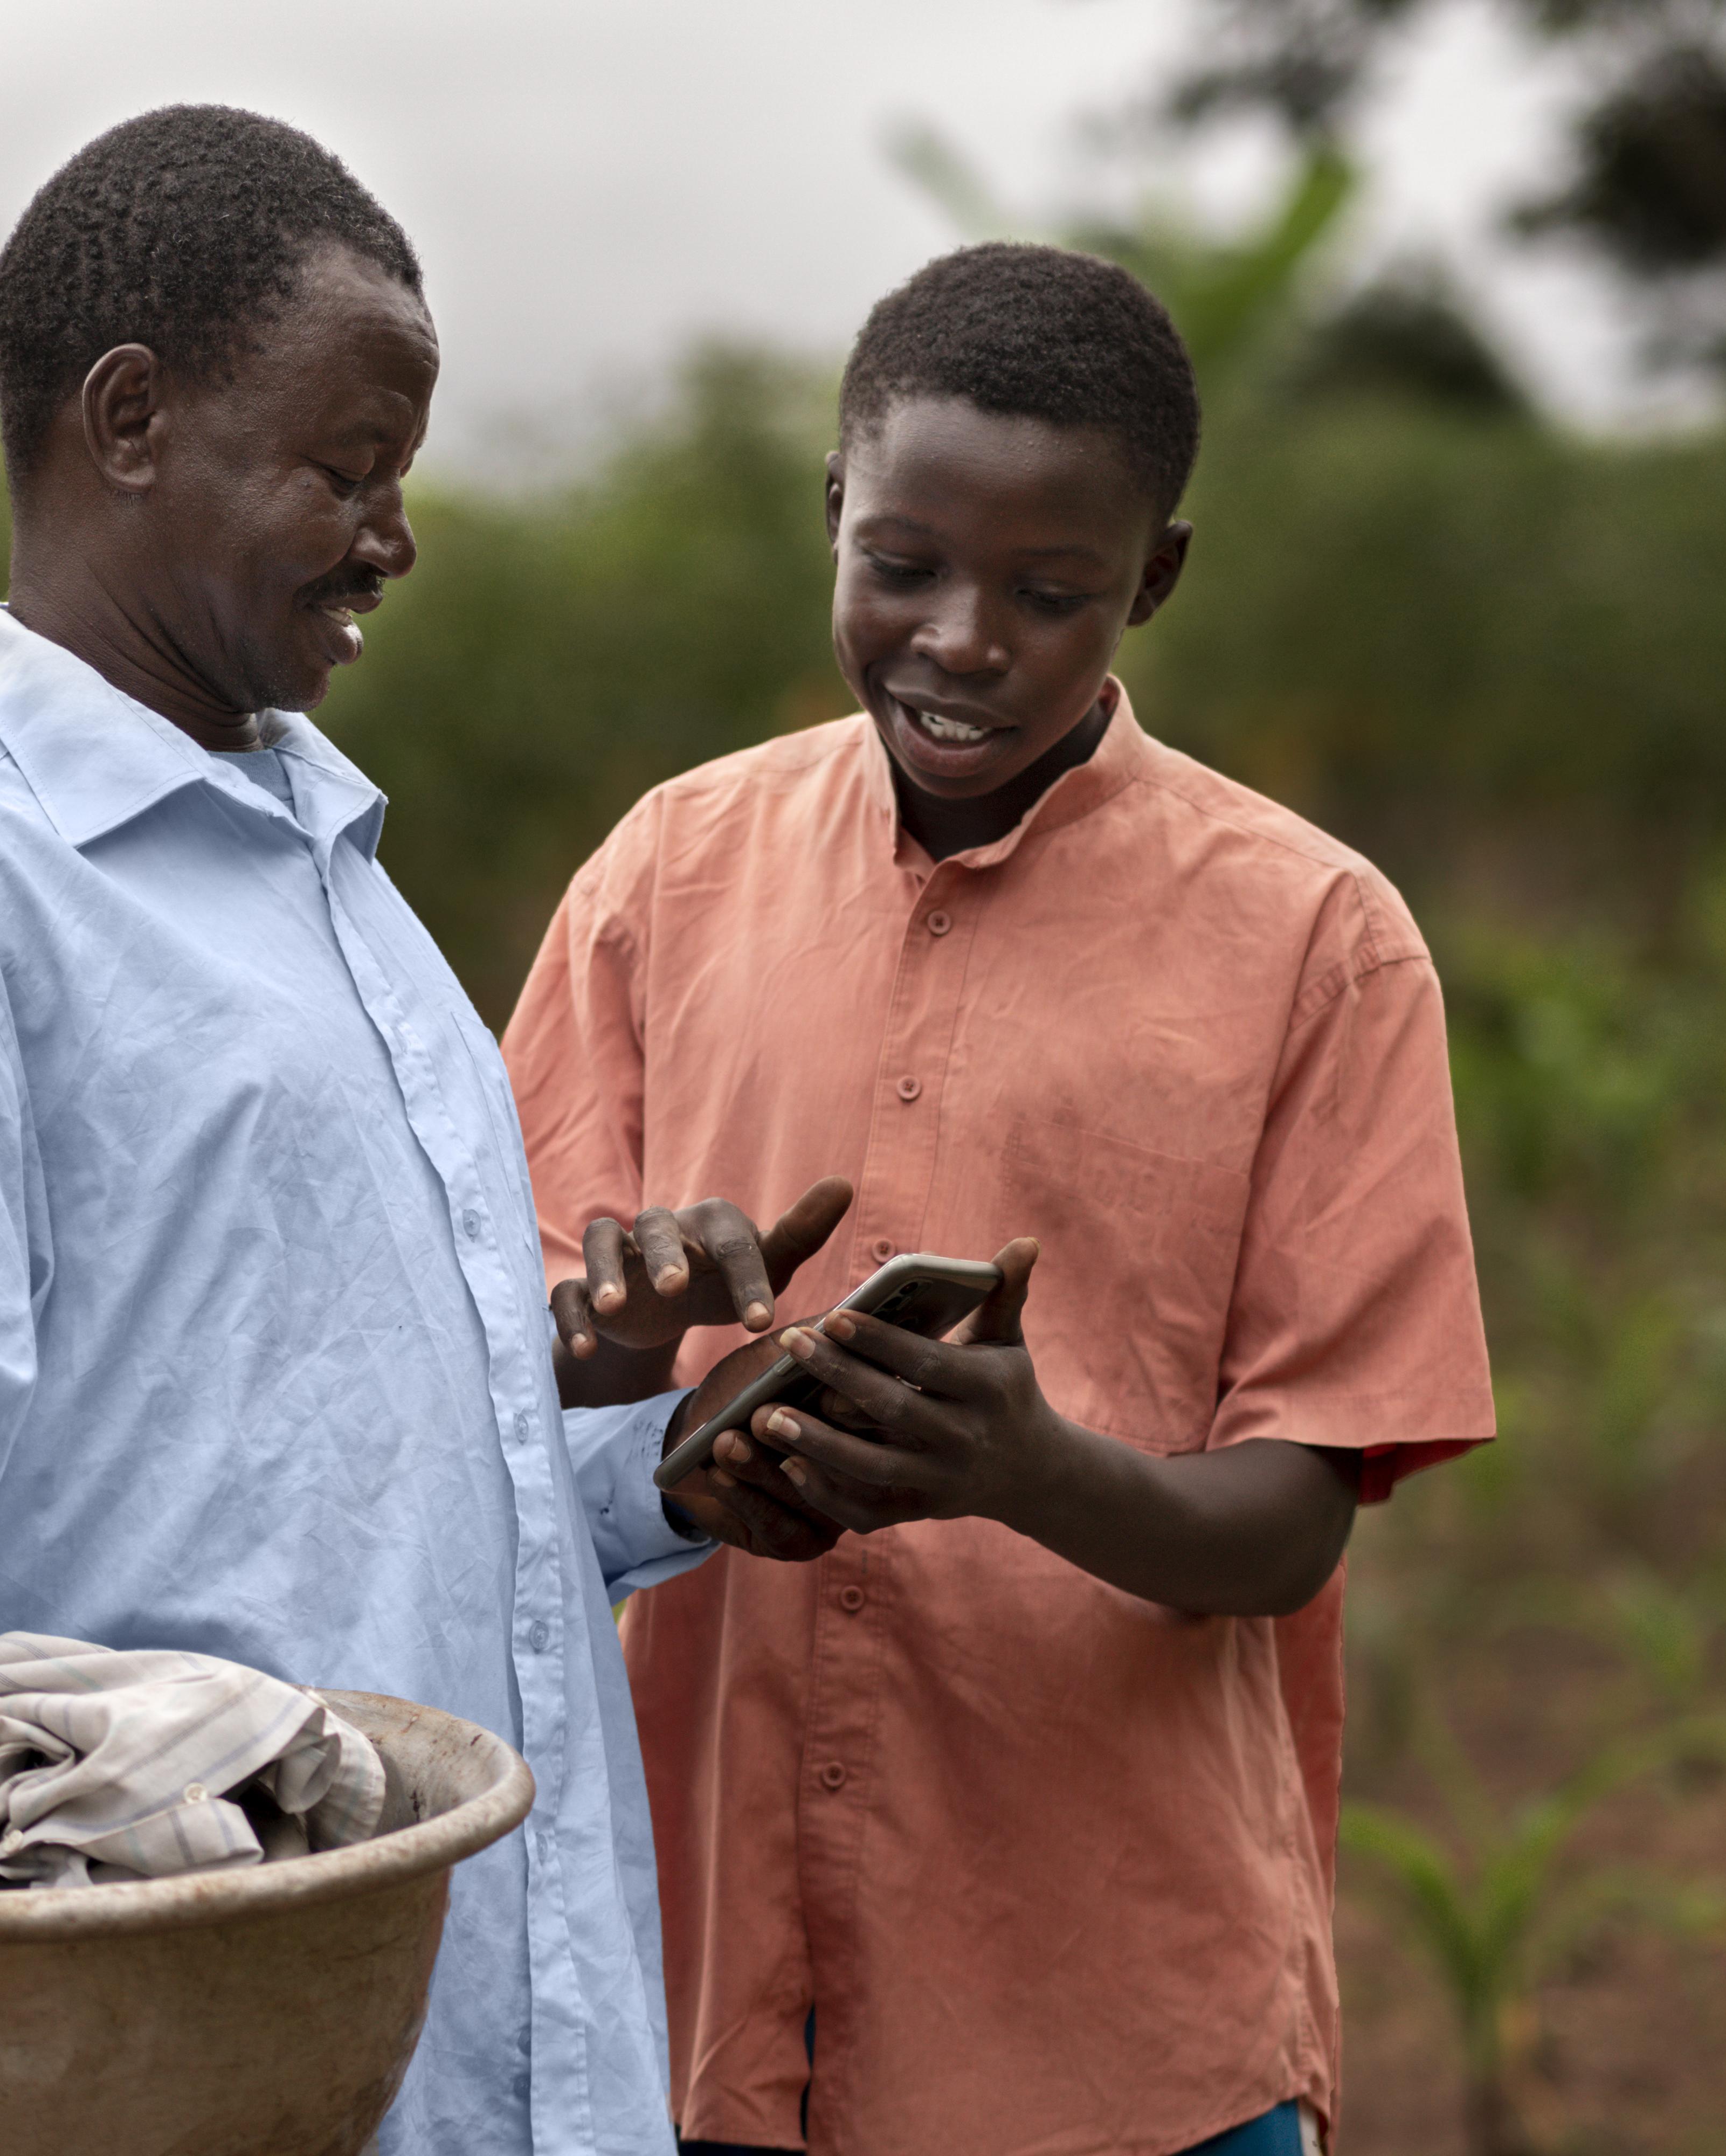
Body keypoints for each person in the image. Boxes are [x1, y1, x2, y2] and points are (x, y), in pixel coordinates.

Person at [0, 105, 843, 2156]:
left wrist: (653, 1461)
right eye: (344, 470)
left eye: (400, 478)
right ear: (133, 418)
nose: (393, 535)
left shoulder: (322, 866)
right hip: (189, 2032)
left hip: (494, 2029)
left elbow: (330, 1455)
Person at [505, 244, 1498, 2156]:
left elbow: (1289, 1523)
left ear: (1155, 581)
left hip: (1116, 2038)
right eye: (904, 567)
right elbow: (509, 1377)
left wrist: (1023, 1466)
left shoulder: (1317, 943)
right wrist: (618, 1343)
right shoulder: (665, 877)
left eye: (1052, 595)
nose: (964, 640)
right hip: (690, 2010)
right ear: (834, 519)